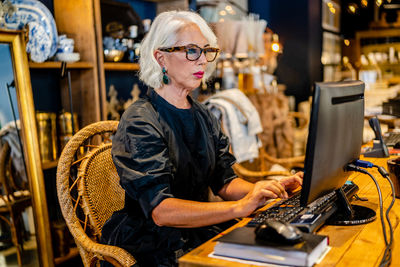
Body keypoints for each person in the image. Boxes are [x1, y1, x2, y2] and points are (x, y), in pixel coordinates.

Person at [101, 10, 303, 267]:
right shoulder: (140, 121)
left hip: (198, 229)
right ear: (160, 57)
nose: (203, 61)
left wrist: (266, 189)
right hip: (154, 242)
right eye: (191, 50)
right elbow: (161, 211)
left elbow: (224, 182)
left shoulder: (203, 115)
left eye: (206, 51)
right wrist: (239, 208)